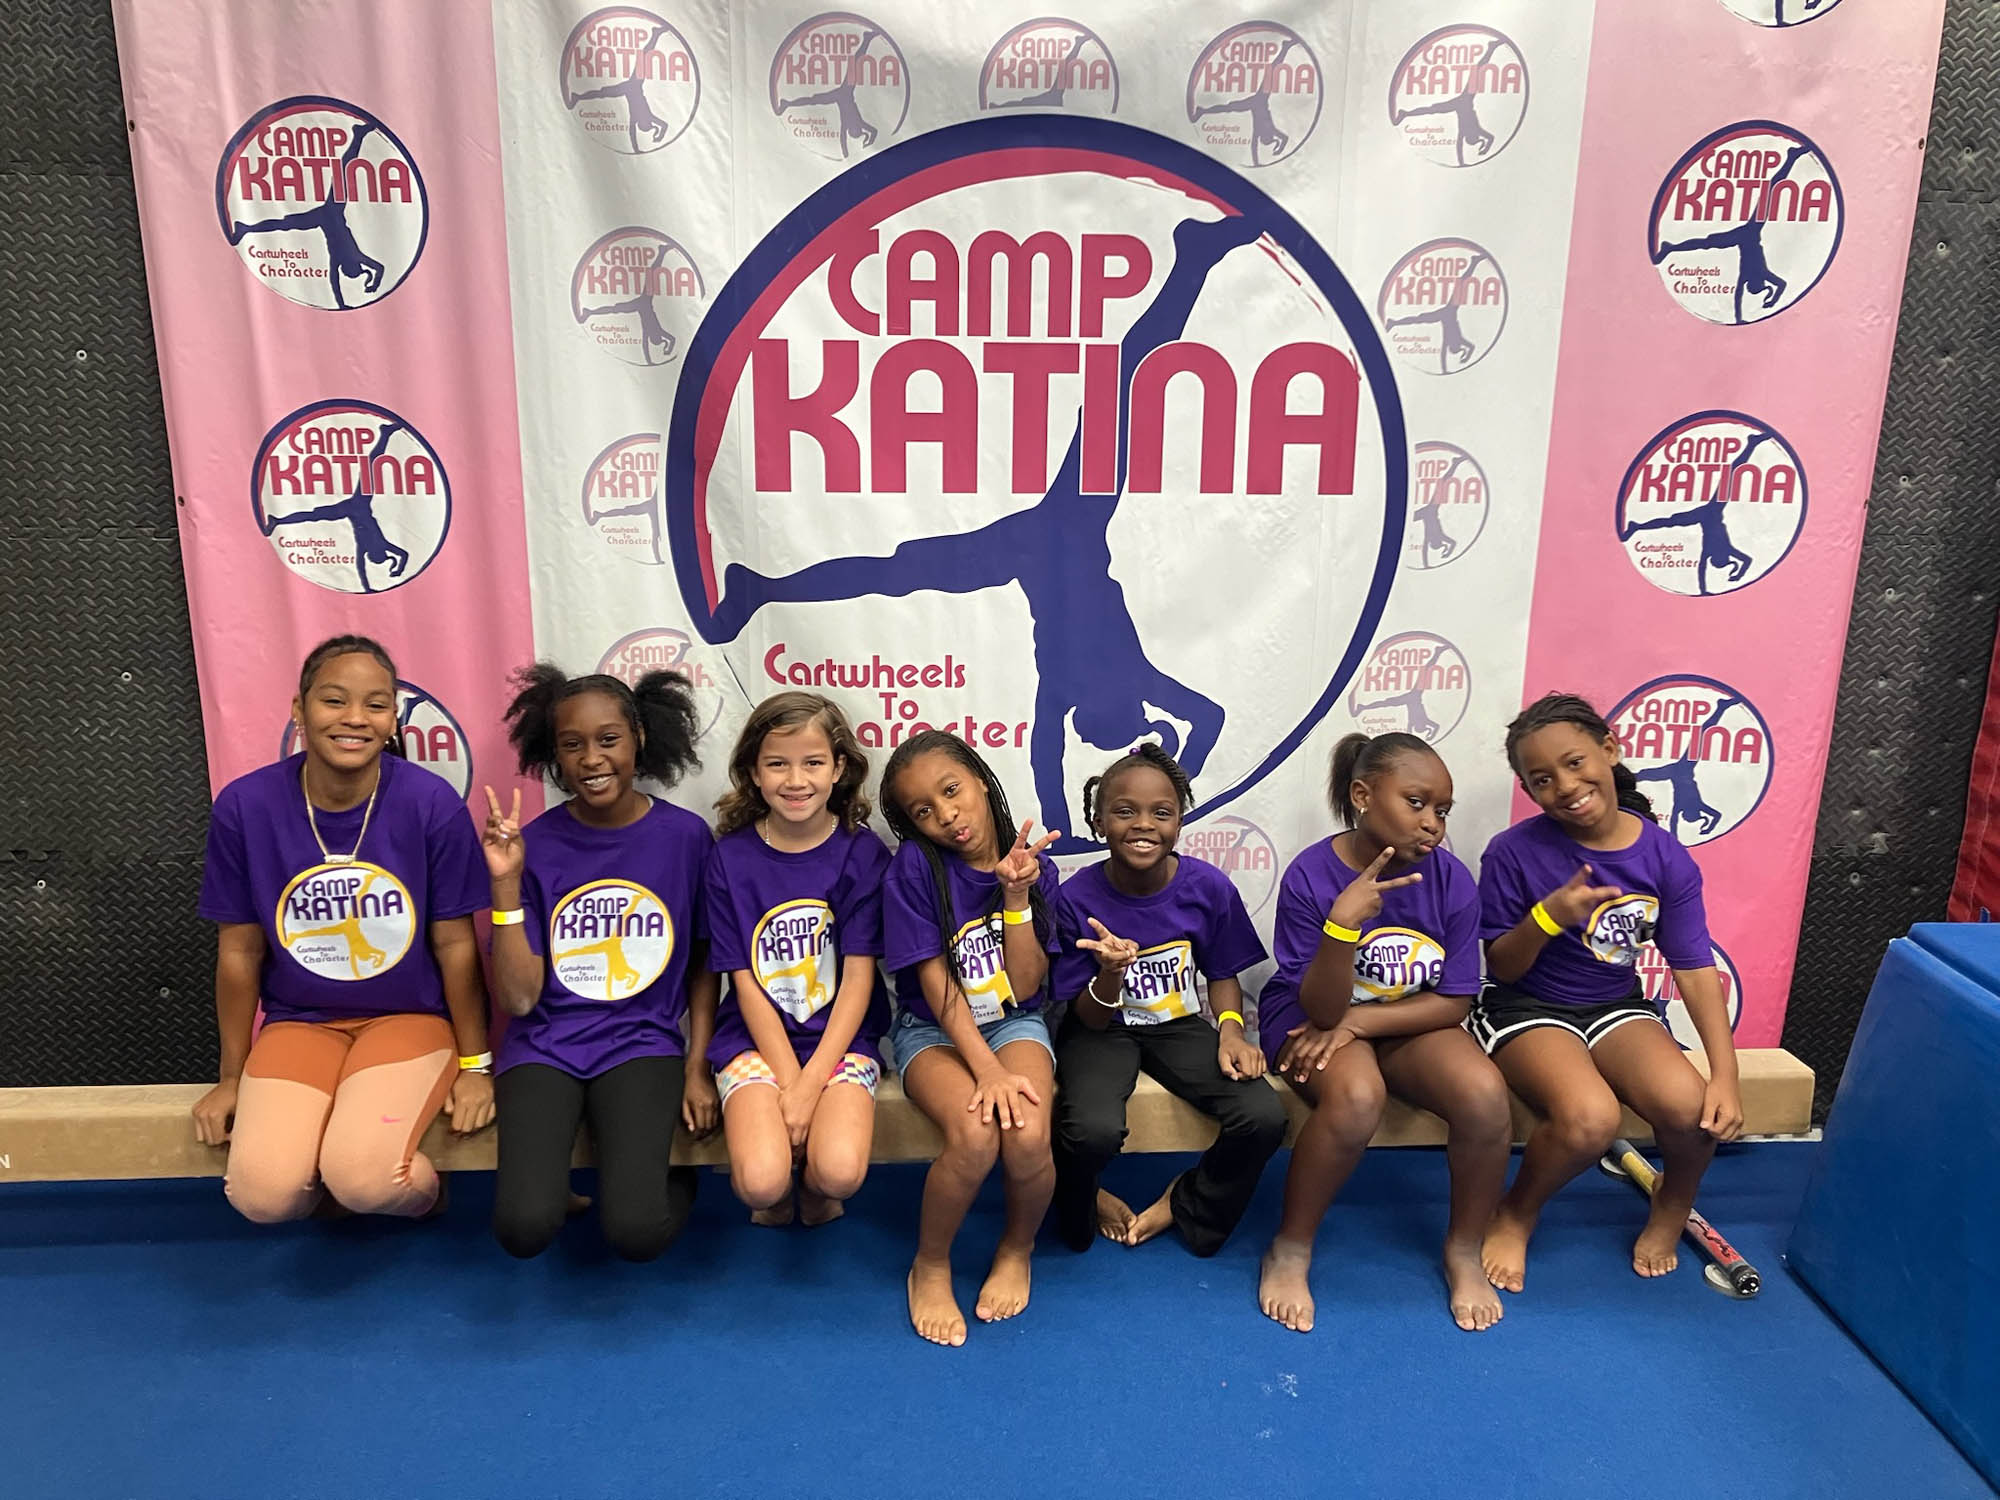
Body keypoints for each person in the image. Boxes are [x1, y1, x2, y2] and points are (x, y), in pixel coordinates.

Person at [193, 635, 494, 1220]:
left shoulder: (431, 804)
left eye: (376, 704)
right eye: (334, 701)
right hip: (301, 1024)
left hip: (406, 1022)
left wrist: (476, 1066)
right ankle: (331, 1174)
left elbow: (456, 945)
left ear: (393, 719)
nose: (355, 718)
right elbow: (239, 953)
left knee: (366, 1181)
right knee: (261, 1197)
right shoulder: (244, 806)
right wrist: (230, 1077)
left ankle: (419, 1196)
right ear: (298, 710)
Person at [1475, 694, 1743, 1293]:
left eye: (1574, 763)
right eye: (1542, 780)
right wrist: (1549, 916)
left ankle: (1672, 1205)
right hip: (1528, 1007)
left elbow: (1694, 969)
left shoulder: (1664, 856)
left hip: (1615, 1005)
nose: (1565, 786)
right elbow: (1503, 968)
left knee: (1691, 1111)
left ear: (1611, 751)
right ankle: (1516, 1213)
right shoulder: (1513, 852)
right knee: (1590, 1119)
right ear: (1528, 789)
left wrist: (1724, 1075)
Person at [1256, 733, 1511, 1333]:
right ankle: (1290, 1247)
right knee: (1357, 1096)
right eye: (1417, 803)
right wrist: (1342, 927)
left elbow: (1454, 999)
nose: (1433, 825)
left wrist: (1360, 1022)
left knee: (1484, 1094)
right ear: (1363, 795)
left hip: (1401, 1018)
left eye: (1442, 810)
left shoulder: (1451, 880)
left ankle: (1464, 1248)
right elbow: (1319, 1011)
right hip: (1306, 1018)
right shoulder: (1311, 875)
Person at [481, 665, 717, 1260]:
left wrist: (696, 1068)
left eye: (608, 739)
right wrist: (506, 887)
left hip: (642, 1044)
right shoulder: (531, 844)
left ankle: (674, 1184)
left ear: (639, 736)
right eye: (572, 744)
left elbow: (704, 967)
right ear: (553, 752)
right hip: (543, 1046)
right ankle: (559, 1189)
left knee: (635, 1234)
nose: (591, 758)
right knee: (523, 1230)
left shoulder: (687, 839)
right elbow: (518, 999)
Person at [1049, 744, 1285, 1257]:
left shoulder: (1207, 886)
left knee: (1263, 1114)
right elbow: (1085, 1016)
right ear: (1098, 820)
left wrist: (1230, 1029)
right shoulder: (1075, 899)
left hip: (1176, 1025)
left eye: (1162, 812)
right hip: (1101, 1030)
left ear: (1181, 820)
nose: (1143, 825)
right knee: (1090, 1131)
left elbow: (1223, 971)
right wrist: (1111, 974)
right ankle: (1081, 1196)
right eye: (1125, 810)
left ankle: (1188, 1203)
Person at [880, 731, 1060, 1346]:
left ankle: (1017, 1248)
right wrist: (985, 1069)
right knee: (977, 1132)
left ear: (981, 781)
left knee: (1030, 1132)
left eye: (951, 791)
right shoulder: (913, 868)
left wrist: (1015, 896)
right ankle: (930, 1264)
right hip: (931, 1029)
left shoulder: (1035, 868)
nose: (945, 815)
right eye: (922, 810)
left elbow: (1029, 984)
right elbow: (937, 989)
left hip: (1013, 1019)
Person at [705, 692, 891, 1228]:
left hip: (840, 1040)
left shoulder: (862, 853)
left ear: (839, 768)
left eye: (812, 762)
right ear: (753, 773)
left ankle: (814, 1193)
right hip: (755, 1041)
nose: (796, 780)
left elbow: (858, 980)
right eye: (777, 764)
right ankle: (778, 1196)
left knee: (839, 1173)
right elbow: (743, 983)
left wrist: (811, 1086)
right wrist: (789, 1080)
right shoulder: (729, 858)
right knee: (760, 1182)